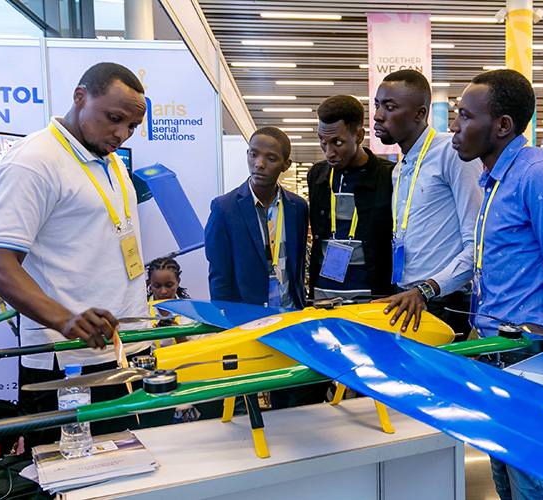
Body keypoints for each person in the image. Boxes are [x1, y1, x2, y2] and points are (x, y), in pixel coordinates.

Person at [0, 62, 168, 447]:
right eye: (114, 119)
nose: (122, 133)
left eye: (132, 126)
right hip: (69, 360)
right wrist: (65, 320)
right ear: (80, 97)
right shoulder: (33, 161)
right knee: (71, 479)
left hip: (127, 349)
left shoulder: (111, 159)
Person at [450, 69, 543, 500]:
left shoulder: (541, 175)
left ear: (502, 125)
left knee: (536, 486)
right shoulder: (495, 180)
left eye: (464, 115)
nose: (455, 127)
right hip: (502, 358)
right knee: (508, 483)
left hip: (537, 359)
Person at [204, 127, 316, 409]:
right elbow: (219, 274)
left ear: (286, 165)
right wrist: (225, 324)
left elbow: (297, 259)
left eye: (270, 158)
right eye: (253, 155)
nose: (259, 164)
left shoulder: (297, 207)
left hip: (290, 313)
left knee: (290, 390)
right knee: (247, 395)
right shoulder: (225, 208)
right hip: (247, 317)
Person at [371, 69, 484, 337]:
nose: (377, 115)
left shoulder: (452, 154)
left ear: (419, 114)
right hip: (407, 296)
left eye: (390, 107)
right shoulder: (400, 169)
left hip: (445, 299)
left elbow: (478, 244)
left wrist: (427, 289)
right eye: (377, 105)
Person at [308, 95, 395, 301]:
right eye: (323, 141)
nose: (329, 152)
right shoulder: (318, 175)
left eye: (337, 142)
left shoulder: (388, 176)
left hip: (374, 298)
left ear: (359, 135)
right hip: (323, 298)